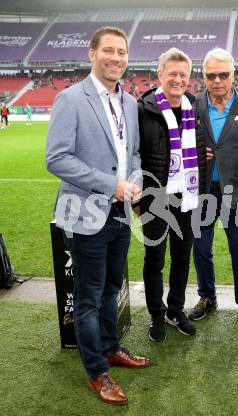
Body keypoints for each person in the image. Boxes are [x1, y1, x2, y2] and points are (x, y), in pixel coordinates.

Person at [46, 26, 149, 405]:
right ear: (92, 54)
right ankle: (96, 371)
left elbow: (133, 155)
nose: (116, 58)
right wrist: (110, 185)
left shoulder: (130, 102)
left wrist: (133, 182)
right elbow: (56, 158)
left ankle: (110, 347)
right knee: (87, 297)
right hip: (86, 212)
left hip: (120, 212)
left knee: (111, 288)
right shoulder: (70, 99)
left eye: (122, 52)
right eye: (109, 50)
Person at [188, 48, 238, 330]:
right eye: (211, 75)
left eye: (223, 74)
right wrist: (196, 154)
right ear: (204, 77)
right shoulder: (191, 104)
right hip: (203, 191)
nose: (217, 80)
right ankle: (207, 297)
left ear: (234, 75)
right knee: (201, 248)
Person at [137, 48, 206, 342]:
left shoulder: (194, 107)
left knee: (182, 257)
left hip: (187, 196)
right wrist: (139, 197)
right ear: (160, 74)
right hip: (155, 196)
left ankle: (175, 309)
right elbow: (134, 156)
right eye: (173, 73)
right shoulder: (144, 109)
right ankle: (156, 314)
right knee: (155, 258)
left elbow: (199, 154)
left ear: (189, 78)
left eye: (183, 74)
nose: (178, 79)